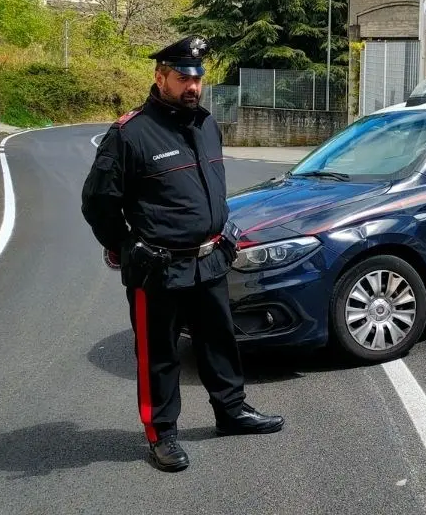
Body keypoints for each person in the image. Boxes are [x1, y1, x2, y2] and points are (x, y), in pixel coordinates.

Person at [81, 34, 283, 473]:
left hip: (209, 257)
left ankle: (232, 412)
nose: (192, 87)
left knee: (219, 341)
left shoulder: (206, 124)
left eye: (198, 78)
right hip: (159, 268)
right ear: (160, 78)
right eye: (182, 78)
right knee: (159, 354)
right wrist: (124, 245)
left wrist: (223, 231)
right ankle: (162, 434)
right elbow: (97, 201)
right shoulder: (130, 134)